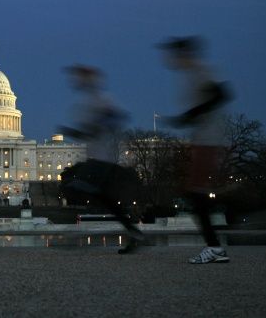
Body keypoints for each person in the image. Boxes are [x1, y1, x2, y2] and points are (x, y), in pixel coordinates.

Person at [159, 36, 232, 264]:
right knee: (195, 192)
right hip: (203, 138)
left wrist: (190, 115)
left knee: (195, 192)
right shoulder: (192, 74)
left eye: (172, 53)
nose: (168, 59)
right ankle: (214, 246)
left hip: (208, 139)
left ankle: (214, 247)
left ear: (183, 54)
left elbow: (223, 94)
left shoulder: (201, 70)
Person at [60, 65, 144, 254]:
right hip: (96, 158)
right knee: (108, 201)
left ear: (89, 79)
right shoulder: (86, 102)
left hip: (102, 159)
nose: (76, 81)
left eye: (81, 77)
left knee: (74, 185)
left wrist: (98, 126)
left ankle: (76, 231)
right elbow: (87, 131)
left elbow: (118, 116)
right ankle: (134, 232)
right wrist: (74, 132)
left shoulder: (102, 99)